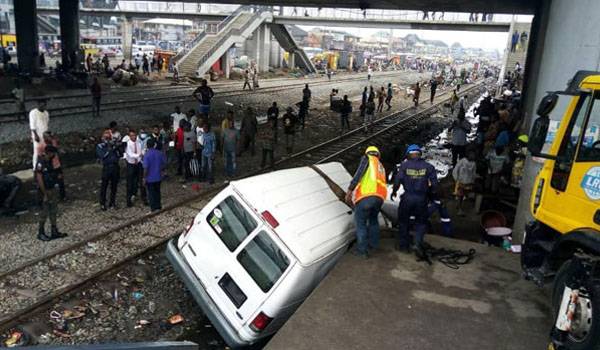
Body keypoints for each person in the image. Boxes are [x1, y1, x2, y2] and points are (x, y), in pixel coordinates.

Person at [391, 144, 438, 258]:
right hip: (422, 199)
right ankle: (417, 243)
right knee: (421, 222)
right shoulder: (428, 167)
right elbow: (435, 185)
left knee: (403, 222)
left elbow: (397, 180)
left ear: (408, 154)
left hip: (407, 198)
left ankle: (404, 246)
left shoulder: (404, 166)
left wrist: (394, 191)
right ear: (419, 154)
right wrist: (430, 195)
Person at [345, 146, 387, 258]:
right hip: (379, 198)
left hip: (366, 197)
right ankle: (373, 245)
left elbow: (359, 174)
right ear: (378, 155)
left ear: (368, 153)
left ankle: (362, 251)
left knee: (361, 224)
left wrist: (350, 190)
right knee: (373, 221)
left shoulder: (367, 158)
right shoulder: (381, 166)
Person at [35, 145, 67, 241]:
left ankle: (54, 230)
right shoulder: (41, 162)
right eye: (53, 153)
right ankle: (41, 232)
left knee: (53, 210)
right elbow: (39, 179)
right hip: (44, 191)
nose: (54, 155)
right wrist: (44, 193)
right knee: (44, 212)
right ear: (49, 153)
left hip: (52, 188)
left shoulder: (49, 162)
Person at [96, 129, 121, 210]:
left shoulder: (113, 145)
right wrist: (109, 148)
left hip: (115, 166)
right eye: (106, 137)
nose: (107, 139)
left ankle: (112, 202)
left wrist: (117, 147)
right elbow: (102, 155)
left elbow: (119, 154)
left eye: (109, 137)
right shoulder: (100, 146)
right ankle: (102, 203)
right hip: (107, 167)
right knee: (104, 186)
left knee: (114, 186)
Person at [143, 138, 167, 211]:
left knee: (151, 193)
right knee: (157, 192)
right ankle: (158, 206)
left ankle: (153, 208)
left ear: (147, 146)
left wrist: (144, 178)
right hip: (158, 176)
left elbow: (145, 168)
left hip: (150, 178)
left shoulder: (146, 155)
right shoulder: (159, 153)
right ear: (154, 145)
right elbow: (164, 163)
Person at [452, 151, 477, 216]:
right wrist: (456, 179)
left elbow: (473, 173)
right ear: (468, 155)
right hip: (461, 182)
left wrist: (473, 181)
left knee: (463, 195)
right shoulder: (462, 161)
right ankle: (459, 210)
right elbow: (455, 170)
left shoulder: (474, 163)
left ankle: (458, 205)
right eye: (472, 154)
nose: (473, 156)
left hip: (468, 182)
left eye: (474, 155)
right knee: (460, 196)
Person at [124, 129, 143, 207]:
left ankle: (140, 197)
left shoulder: (138, 143)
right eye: (131, 135)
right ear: (129, 136)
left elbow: (141, 151)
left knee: (140, 181)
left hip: (138, 164)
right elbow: (131, 154)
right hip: (131, 164)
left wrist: (141, 156)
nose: (133, 137)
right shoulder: (128, 144)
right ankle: (129, 201)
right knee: (130, 183)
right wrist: (139, 155)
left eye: (134, 135)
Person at [29, 99, 50, 170]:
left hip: (45, 135)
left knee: (44, 151)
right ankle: (35, 167)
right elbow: (32, 125)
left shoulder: (46, 113)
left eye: (44, 105)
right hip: (37, 135)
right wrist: (35, 135)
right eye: (42, 105)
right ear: (38, 105)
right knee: (37, 151)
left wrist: (48, 134)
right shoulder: (33, 112)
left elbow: (46, 124)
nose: (43, 106)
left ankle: (43, 166)